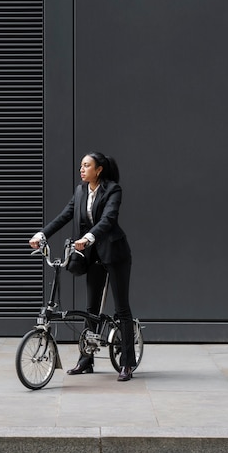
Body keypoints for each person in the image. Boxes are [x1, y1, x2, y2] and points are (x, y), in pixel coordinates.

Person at [29, 151, 136, 382]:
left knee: (122, 309)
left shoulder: (113, 190)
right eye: (81, 165)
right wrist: (42, 234)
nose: (82, 169)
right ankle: (86, 360)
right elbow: (64, 216)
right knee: (91, 309)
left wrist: (88, 237)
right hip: (92, 255)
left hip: (114, 254)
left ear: (99, 170)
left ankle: (127, 362)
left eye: (87, 166)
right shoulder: (80, 191)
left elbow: (108, 219)